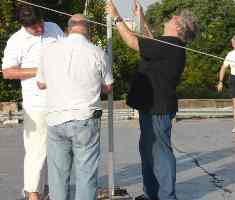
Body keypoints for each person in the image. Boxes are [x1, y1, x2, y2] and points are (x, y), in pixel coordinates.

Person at [106, 1, 198, 200]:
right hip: (151, 106)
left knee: (160, 154)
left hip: (158, 109)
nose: (171, 16)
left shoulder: (171, 46)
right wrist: (142, 17)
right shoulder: (169, 45)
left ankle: (166, 196)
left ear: (179, 26)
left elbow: (133, 42)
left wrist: (116, 17)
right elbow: (151, 41)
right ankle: (152, 194)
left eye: (176, 17)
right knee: (148, 152)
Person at [36, 14, 113, 200]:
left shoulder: (49, 51)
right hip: (85, 118)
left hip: (56, 119)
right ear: (88, 29)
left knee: (58, 176)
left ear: (69, 28)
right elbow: (109, 86)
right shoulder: (97, 52)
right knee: (86, 174)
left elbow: (40, 84)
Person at [1, 6, 64, 200]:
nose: (40, 29)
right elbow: (8, 72)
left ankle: (53, 190)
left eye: (41, 24)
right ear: (24, 26)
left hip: (61, 101)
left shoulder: (53, 27)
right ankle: (32, 194)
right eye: (35, 28)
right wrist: (39, 71)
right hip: (36, 104)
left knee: (59, 151)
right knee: (36, 152)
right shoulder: (16, 41)